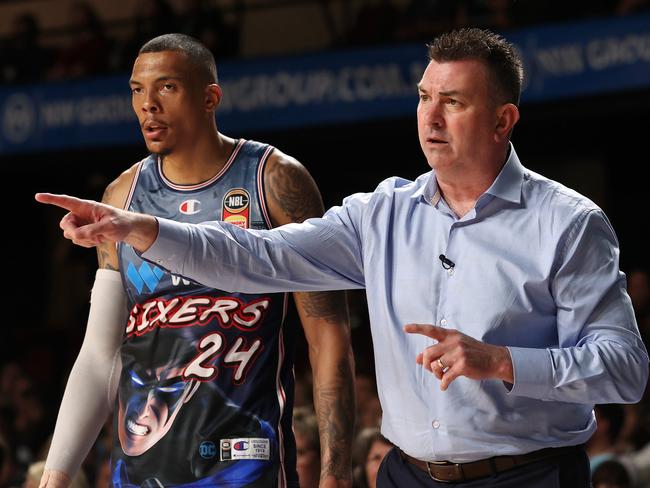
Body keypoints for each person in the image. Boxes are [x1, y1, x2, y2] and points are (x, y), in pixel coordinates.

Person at [36, 27, 649, 487]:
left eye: (453, 103)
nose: (429, 118)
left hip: (531, 474)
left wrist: (505, 361)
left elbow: (626, 369)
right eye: (423, 97)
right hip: (405, 474)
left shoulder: (568, 223)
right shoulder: (380, 213)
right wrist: (141, 227)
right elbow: (255, 256)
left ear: (502, 120)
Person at [38, 34, 354, 488]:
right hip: (143, 465)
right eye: (136, 90)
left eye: (166, 87)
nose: (148, 104)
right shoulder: (121, 196)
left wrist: (335, 472)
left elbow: (328, 337)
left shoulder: (274, 180)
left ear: (210, 97)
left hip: (246, 458)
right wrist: (57, 472)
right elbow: (100, 353)